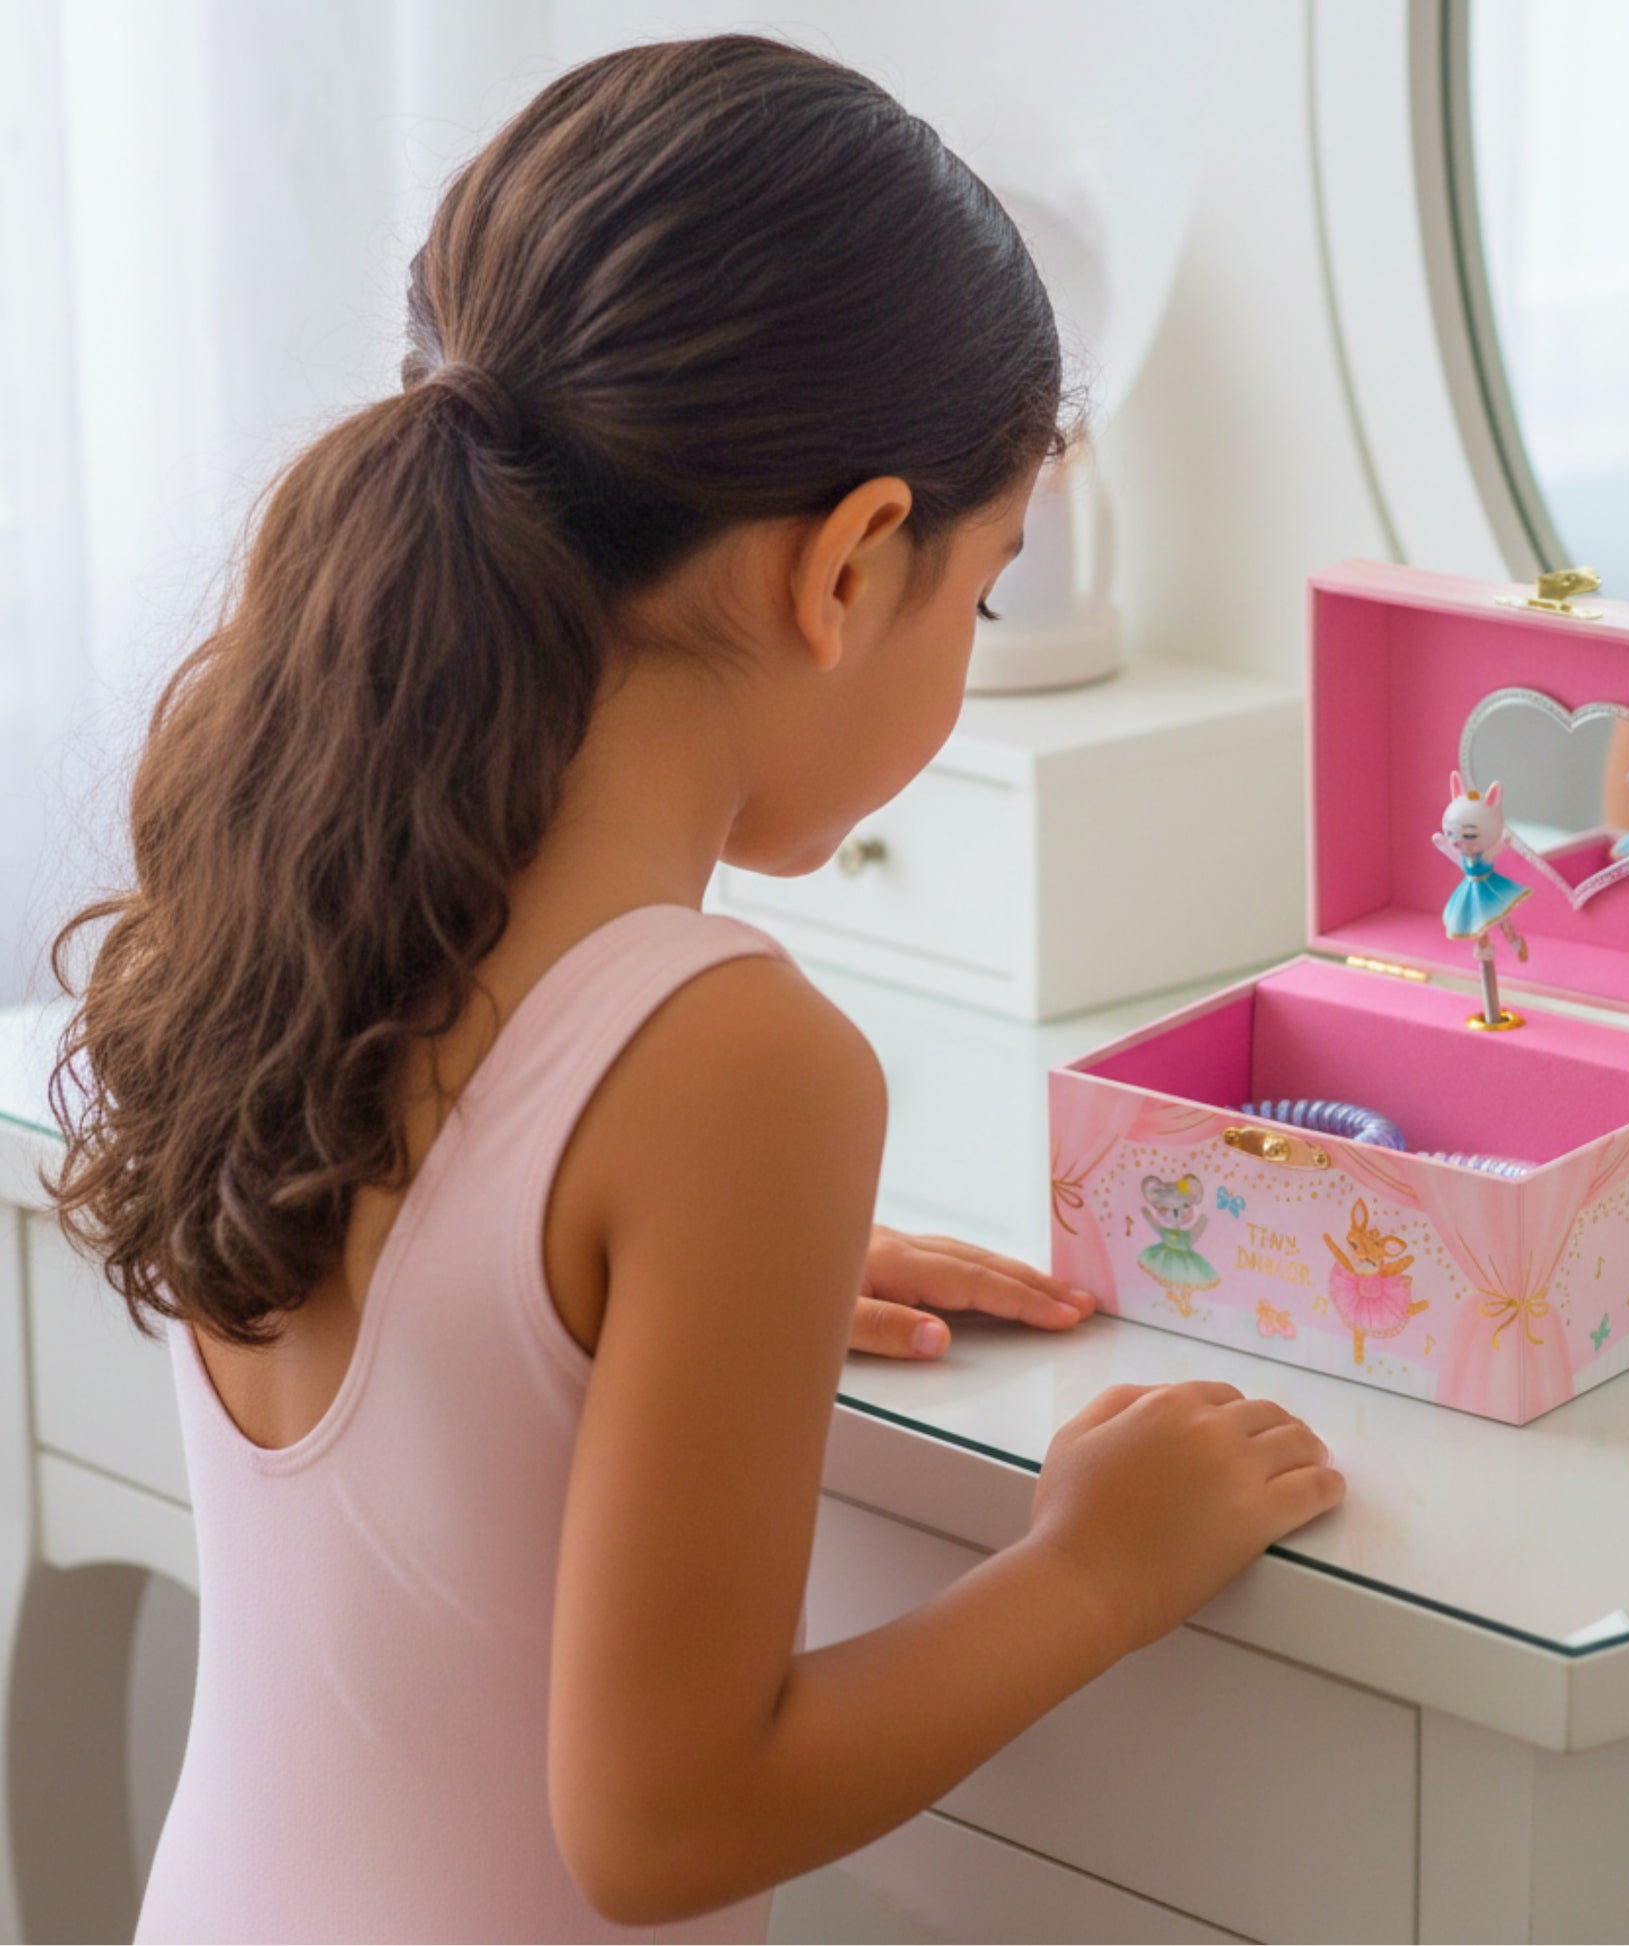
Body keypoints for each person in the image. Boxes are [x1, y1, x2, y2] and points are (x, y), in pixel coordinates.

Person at [43, 36, 1343, 1941]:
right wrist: (1100, 1562)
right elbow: (662, 1822)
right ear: (848, 565)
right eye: (977, 594)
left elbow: (457, 1325)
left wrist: (662, 1309)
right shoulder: (733, 1054)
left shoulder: (302, 871)